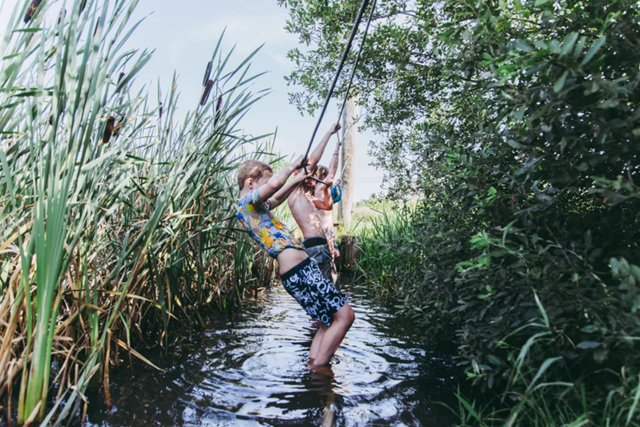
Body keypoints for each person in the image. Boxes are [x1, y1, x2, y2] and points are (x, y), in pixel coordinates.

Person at [236, 126, 355, 369]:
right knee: (345, 316)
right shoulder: (245, 202)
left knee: (326, 323)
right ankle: (321, 374)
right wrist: (292, 167)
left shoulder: (257, 208)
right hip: (299, 270)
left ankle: (314, 372)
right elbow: (275, 186)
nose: (270, 186)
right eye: (264, 183)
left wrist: (297, 180)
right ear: (251, 183)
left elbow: (277, 196)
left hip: (298, 270)